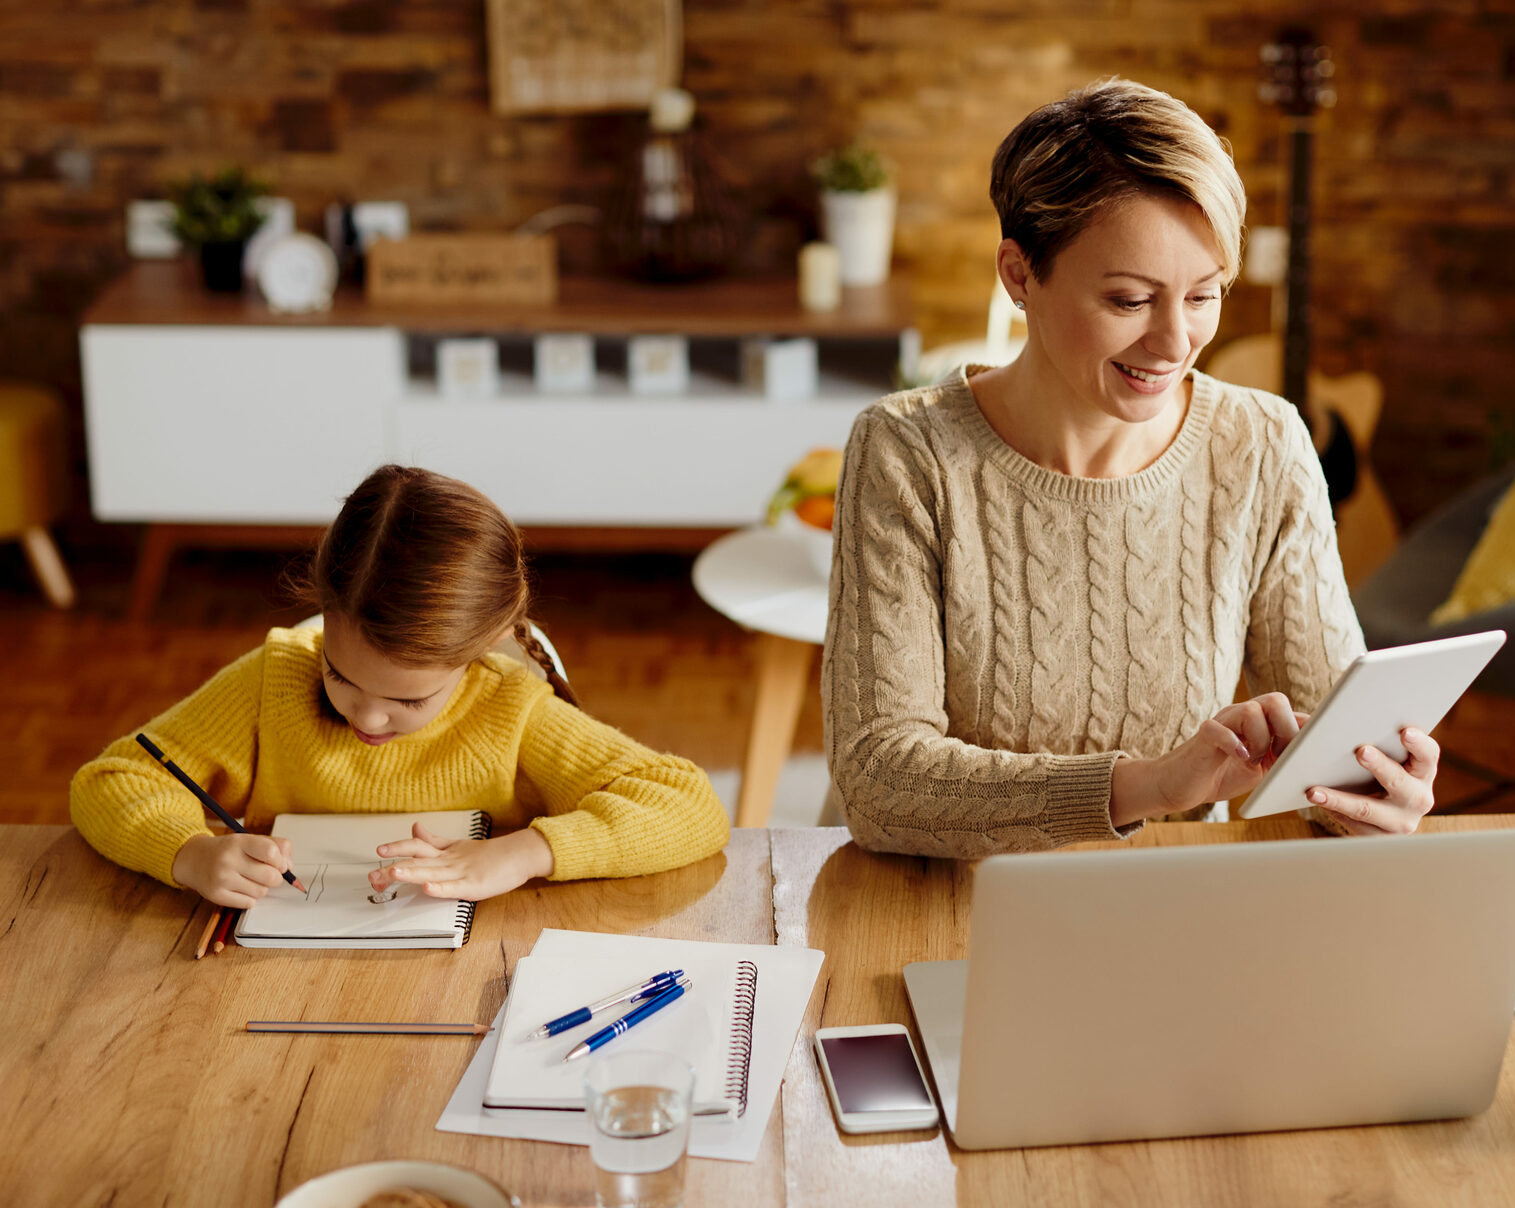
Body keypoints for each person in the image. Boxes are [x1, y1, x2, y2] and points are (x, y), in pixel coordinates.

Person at [822, 78, 1439, 857]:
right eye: (1129, 301)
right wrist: (1149, 786)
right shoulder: (907, 454)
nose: (1175, 342)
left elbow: (1332, 738)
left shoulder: (1264, 446)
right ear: (1020, 275)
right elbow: (879, 782)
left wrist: (1372, 789)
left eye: (1205, 295)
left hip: (1166, 902)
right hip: (935, 897)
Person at [71, 464, 730, 906]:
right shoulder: (273, 682)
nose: (370, 717)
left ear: (480, 651)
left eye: (409, 700)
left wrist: (525, 854)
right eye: (340, 673)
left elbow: (691, 806)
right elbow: (113, 780)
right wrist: (186, 852)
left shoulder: (509, 709)